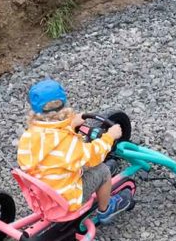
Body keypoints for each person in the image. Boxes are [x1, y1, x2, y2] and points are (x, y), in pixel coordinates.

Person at [17, 79, 132, 224]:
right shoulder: (67, 144)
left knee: (74, 162)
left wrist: (70, 125)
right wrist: (109, 137)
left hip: (43, 196)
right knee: (102, 170)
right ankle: (106, 209)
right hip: (66, 201)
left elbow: (52, 139)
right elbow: (94, 156)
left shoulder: (29, 136)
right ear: (63, 105)